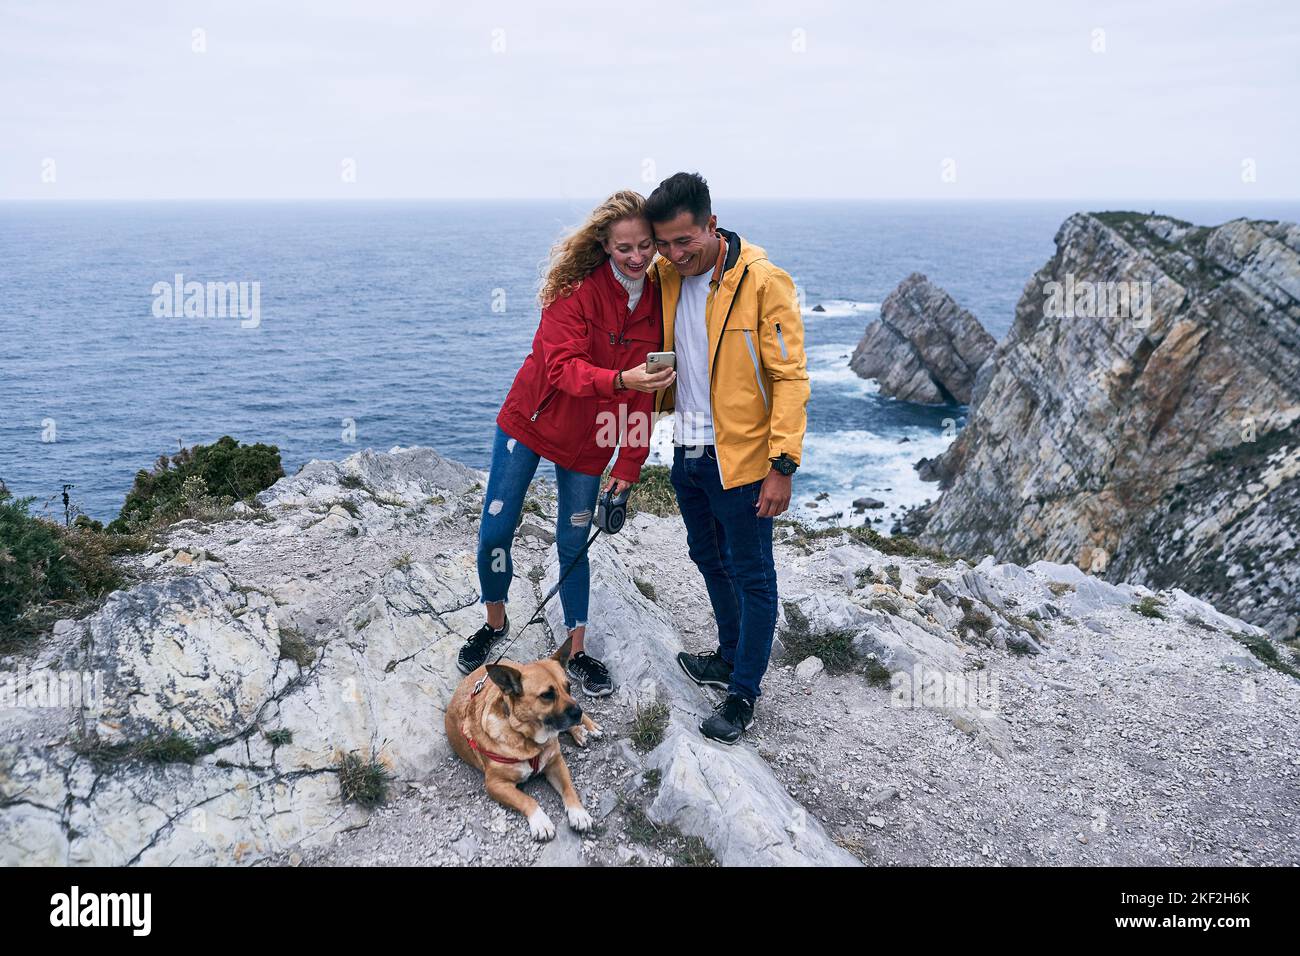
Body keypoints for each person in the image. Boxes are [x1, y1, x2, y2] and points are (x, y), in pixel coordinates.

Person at [457, 190, 676, 697]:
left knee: (574, 543)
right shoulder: (574, 289)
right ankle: (494, 623)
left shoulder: (658, 302)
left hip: (591, 441)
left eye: (646, 245)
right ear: (605, 242)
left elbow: (651, 389)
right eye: (625, 247)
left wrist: (631, 462)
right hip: (530, 422)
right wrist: (622, 380)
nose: (638, 257)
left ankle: (576, 650)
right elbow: (563, 370)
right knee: (495, 531)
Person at [645, 172, 809, 743]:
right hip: (687, 448)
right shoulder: (666, 274)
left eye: (684, 241)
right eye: (663, 244)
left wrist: (782, 464)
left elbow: (789, 377)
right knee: (706, 556)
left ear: (711, 226)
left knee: (752, 572)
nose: (673, 254)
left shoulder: (764, 282)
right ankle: (729, 653)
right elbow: (612, 256)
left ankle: (743, 694)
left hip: (741, 458)